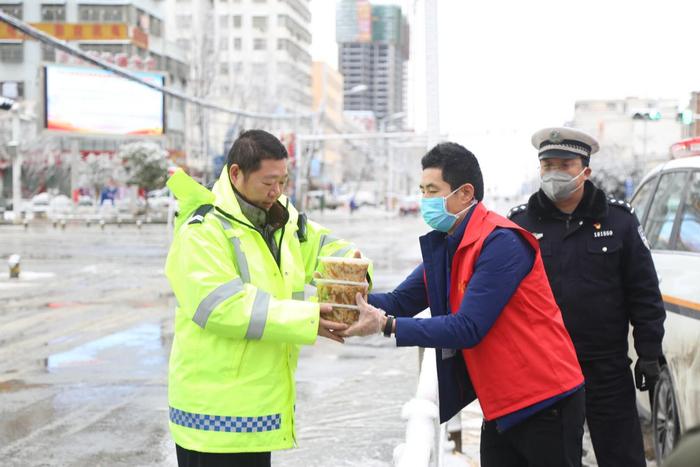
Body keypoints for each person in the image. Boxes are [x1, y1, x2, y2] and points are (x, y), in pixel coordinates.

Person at [341, 142, 586, 467]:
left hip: (545, 400)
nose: (424, 200)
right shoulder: (447, 245)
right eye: (422, 190)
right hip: (500, 403)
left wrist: (387, 325)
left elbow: (468, 327)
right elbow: (399, 301)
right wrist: (342, 295)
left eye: (432, 190)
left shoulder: (500, 242)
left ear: (465, 193)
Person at [165, 129, 363, 467]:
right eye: (268, 182)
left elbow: (322, 244)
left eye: (283, 182)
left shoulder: (281, 216)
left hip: (253, 409)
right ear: (236, 174)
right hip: (214, 416)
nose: (277, 191)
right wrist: (309, 319)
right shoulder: (203, 230)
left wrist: (355, 271)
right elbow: (224, 308)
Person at [508, 127, 666, 467]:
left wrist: (649, 351)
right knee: (554, 459)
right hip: (544, 369)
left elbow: (644, 291)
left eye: (564, 164)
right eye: (548, 165)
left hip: (606, 367)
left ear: (585, 170)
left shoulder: (619, 221)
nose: (555, 173)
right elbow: (504, 298)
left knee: (622, 456)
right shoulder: (520, 224)